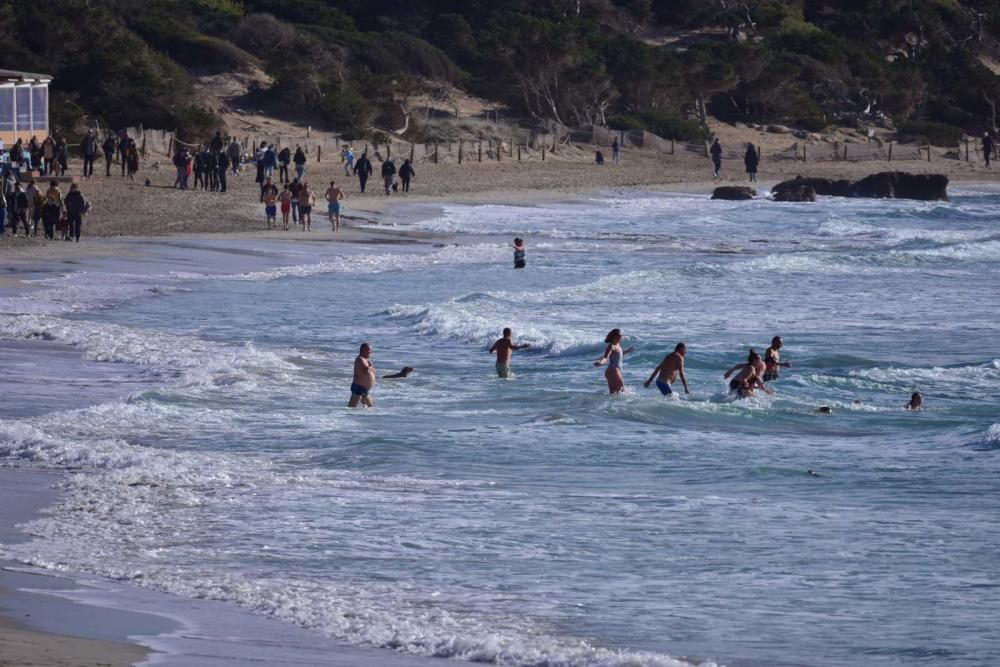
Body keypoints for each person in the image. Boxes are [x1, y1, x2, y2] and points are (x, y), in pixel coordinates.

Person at [594, 328, 635, 394]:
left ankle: (611, 404)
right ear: (615, 336)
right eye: (620, 335)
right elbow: (605, 357)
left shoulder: (618, 345)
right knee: (622, 390)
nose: (622, 337)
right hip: (613, 370)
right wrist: (600, 362)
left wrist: (627, 351)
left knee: (614, 393)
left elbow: (619, 355)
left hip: (614, 371)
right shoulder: (611, 346)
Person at [348, 343, 376, 408]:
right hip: (359, 387)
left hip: (364, 389)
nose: (370, 352)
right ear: (363, 350)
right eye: (369, 350)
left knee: (369, 407)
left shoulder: (366, 360)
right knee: (351, 407)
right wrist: (371, 366)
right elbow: (366, 369)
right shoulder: (360, 359)